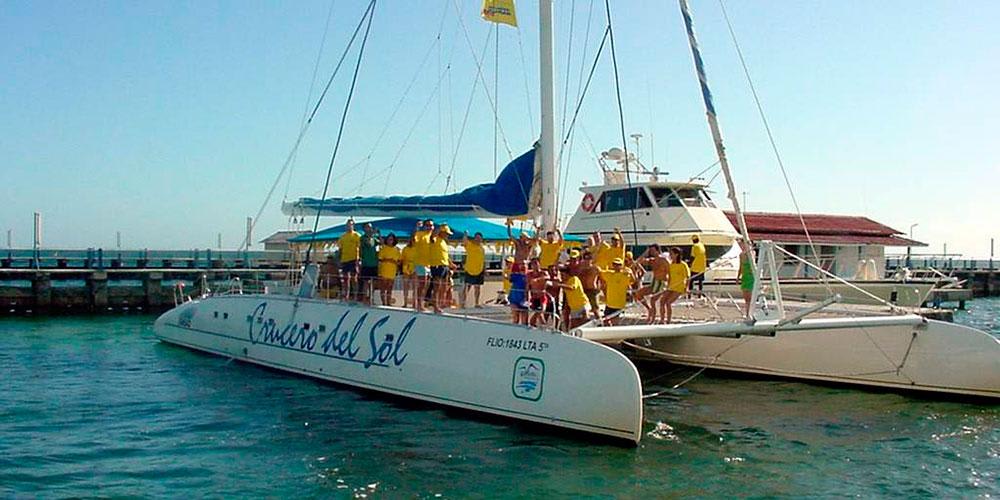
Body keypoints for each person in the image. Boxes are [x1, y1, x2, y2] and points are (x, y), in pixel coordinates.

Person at [635, 244, 670, 323]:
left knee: (653, 300)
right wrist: (646, 252)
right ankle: (649, 309)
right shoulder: (652, 260)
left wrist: (669, 283)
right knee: (639, 293)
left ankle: (656, 319)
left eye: (653, 250)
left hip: (662, 282)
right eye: (651, 251)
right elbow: (638, 261)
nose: (652, 252)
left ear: (658, 250)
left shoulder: (664, 260)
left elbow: (670, 272)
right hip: (654, 282)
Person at [599, 258, 634, 325]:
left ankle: (614, 333)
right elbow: (599, 272)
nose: (616, 266)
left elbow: (633, 280)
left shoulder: (625, 275)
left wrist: (631, 272)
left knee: (615, 322)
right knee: (605, 320)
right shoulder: (608, 274)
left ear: (621, 265)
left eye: (618, 264)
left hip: (619, 304)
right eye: (615, 264)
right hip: (609, 303)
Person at [427, 223, 453, 314]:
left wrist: (450, 264)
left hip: (444, 265)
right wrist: (440, 227)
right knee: (436, 287)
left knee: (444, 286)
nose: (447, 235)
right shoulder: (435, 239)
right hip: (437, 265)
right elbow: (432, 236)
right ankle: (435, 306)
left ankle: (441, 304)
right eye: (446, 233)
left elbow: (445, 255)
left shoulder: (443, 242)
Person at [661, 247, 691, 324]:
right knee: (662, 301)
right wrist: (667, 286)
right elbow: (670, 277)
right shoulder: (671, 265)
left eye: (671, 254)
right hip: (671, 286)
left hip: (679, 287)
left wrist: (686, 287)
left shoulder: (683, 264)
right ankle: (662, 320)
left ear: (676, 254)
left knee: (668, 302)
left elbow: (688, 277)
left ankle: (668, 321)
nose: (670, 255)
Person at [337, 219, 361, 301]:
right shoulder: (342, 237)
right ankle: (346, 295)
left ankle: (355, 296)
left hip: (354, 259)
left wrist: (359, 261)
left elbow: (360, 248)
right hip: (344, 259)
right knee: (346, 278)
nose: (349, 226)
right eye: (347, 225)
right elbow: (340, 249)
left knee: (354, 278)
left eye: (350, 225)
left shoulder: (357, 235)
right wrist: (339, 260)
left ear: (353, 225)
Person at [412, 220, 433, 311]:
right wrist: (417, 228)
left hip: (429, 264)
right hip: (420, 262)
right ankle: (418, 304)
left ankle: (422, 303)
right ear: (424, 226)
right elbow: (413, 238)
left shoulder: (433, 236)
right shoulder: (420, 234)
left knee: (427, 284)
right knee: (422, 284)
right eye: (427, 225)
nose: (429, 227)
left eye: (431, 225)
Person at [461, 231, 486, 308]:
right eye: (477, 238)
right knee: (466, 287)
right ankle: (463, 303)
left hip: (479, 270)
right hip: (469, 269)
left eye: (479, 238)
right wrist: (465, 235)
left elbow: (483, 259)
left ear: (481, 239)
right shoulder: (470, 245)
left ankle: (476, 303)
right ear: (474, 238)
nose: (478, 240)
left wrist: (484, 269)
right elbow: (464, 241)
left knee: (477, 288)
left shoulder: (482, 248)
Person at [577, 251, 603, 321]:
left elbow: (602, 279)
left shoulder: (596, 268)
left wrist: (599, 288)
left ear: (592, 259)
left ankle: (600, 323)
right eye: (586, 258)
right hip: (582, 290)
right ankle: (584, 322)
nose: (587, 260)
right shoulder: (580, 268)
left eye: (589, 258)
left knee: (595, 308)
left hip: (592, 290)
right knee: (582, 309)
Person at [359, 223, 380, 304]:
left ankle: (371, 298)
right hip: (366, 263)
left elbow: (381, 242)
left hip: (374, 263)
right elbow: (368, 244)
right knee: (366, 282)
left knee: (374, 282)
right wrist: (373, 234)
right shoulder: (363, 238)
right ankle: (364, 298)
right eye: (368, 227)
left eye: (371, 227)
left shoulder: (374, 238)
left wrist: (379, 234)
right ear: (364, 229)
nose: (370, 229)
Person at [377, 234, 401, 306]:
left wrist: (395, 262)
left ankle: (388, 302)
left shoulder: (397, 249)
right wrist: (388, 260)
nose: (390, 241)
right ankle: (383, 302)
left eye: (391, 239)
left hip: (392, 271)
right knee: (383, 287)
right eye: (388, 239)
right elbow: (380, 259)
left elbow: (399, 261)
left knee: (390, 288)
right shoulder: (383, 248)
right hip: (384, 270)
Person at [526, 258, 550, 327]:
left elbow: (547, 277)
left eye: (536, 263)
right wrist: (526, 297)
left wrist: (538, 279)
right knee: (540, 316)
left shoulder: (543, 273)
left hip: (542, 296)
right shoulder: (529, 274)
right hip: (534, 297)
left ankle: (531, 321)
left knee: (542, 310)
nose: (535, 265)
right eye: (533, 264)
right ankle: (543, 326)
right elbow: (527, 286)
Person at [737, 239, 756, 318]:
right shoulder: (741, 255)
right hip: (745, 276)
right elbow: (741, 266)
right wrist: (738, 277)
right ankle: (747, 313)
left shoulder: (752, 253)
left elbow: (753, 265)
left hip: (751, 276)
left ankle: (751, 313)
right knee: (746, 298)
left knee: (751, 298)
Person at [507, 260, 529, 325]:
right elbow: (509, 278)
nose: (522, 266)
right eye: (521, 264)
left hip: (524, 300)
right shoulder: (515, 275)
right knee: (515, 317)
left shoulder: (529, 276)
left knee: (524, 320)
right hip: (514, 299)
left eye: (524, 264)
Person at [400, 237, 417, 307]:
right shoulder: (405, 248)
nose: (413, 241)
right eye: (412, 240)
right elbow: (402, 259)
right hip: (406, 267)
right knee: (405, 286)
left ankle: (414, 303)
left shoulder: (418, 249)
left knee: (415, 287)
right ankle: (405, 303)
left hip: (415, 267)